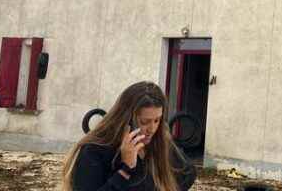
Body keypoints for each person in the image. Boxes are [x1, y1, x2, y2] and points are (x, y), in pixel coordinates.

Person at [61, 81, 196, 191]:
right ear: (126, 119)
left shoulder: (158, 142)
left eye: (157, 120)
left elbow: (188, 173)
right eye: (144, 122)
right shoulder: (95, 150)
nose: (152, 129)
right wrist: (125, 169)